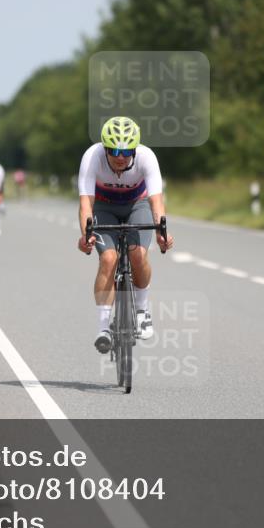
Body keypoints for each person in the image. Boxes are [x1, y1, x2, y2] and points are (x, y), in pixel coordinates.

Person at [76, 116, 174, 354]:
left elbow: (156, 201)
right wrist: (85, 235)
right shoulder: (92, 157)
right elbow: (86, 204)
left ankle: (142, 311)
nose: (120, 157)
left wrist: (162, 231)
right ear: (105, 148)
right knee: (109, 259)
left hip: (136, 205)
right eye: (114, 151)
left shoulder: (146, 157)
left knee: (138, 254)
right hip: (103, 207)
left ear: (135, 149)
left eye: (126, 151)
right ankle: (103, 329)